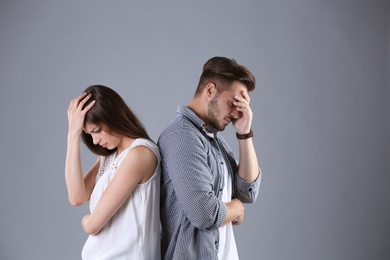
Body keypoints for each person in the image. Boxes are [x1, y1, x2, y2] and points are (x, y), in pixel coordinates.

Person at [158, 57, 262, 260]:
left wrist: (244, 133)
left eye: (242, 105)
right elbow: (204, 214)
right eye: (233, 102)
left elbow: (247, 192)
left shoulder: (215, 140)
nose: (236, 112)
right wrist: (236, 208)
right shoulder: (182, 136)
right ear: (210, 90)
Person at [65, 85, 161, 260]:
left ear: (113, 117)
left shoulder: (139, 154)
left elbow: (92, 226)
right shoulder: (109, 156)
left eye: (97, 131)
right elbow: (76, 197)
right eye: (88, 134)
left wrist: (85, 220)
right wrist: (72, 135)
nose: (95, 140)